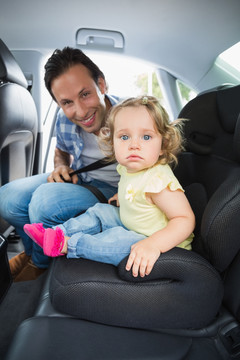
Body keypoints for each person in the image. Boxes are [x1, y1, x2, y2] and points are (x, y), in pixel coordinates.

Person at [23, 96, 195, 278]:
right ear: (113, 143)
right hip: (134, 226)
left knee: (119, 241)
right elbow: (132, 187)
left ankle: (68, 245)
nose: (134, 145)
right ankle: (58, 232)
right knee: (100, 211)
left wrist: (153, 244)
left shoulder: (158, 181)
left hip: (160, 245)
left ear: (163, 145)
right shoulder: (127, 168)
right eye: (124, 137)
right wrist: (122, 197)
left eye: (146, 137)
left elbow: (184, 219)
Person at [0, 47, 120, 281]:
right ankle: (32, 252)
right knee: (7, 197)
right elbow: (61, 150)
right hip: (84, 180)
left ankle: (39, 264)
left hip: (120, 191)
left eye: (85, 94)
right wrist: (60, 166)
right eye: (67, 102)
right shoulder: (64, 119)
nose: (81, 111)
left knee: (44, 204)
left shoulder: (132, 114)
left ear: (102, 85)